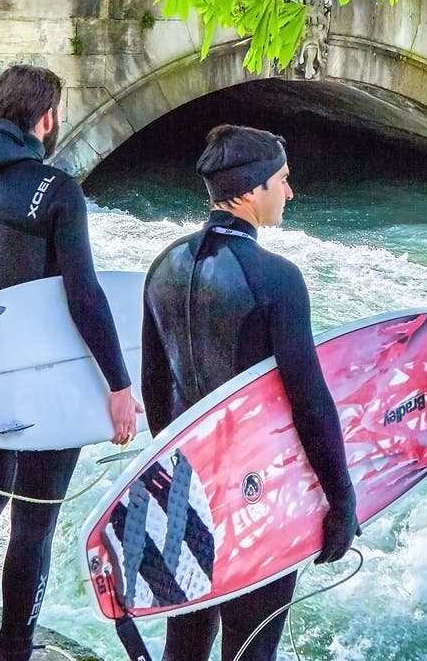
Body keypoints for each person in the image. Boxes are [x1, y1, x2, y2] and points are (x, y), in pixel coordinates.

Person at [0, 65, 142, 661]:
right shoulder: (57, 189)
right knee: (34, 522)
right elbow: (84, 295)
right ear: (46, 118)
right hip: (48, 376)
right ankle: (12, 651)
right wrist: (119, 385)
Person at [138, 126, 357, 661]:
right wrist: (342, 498)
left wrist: (180, 482)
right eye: (283, 181)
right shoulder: (277, 278)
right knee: (251, 649)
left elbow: (153, 387)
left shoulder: (162, 266)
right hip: (257, 493)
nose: (290, 193)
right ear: (253, 190)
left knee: (184, 646)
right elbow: (309, 400)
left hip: (185, 487)